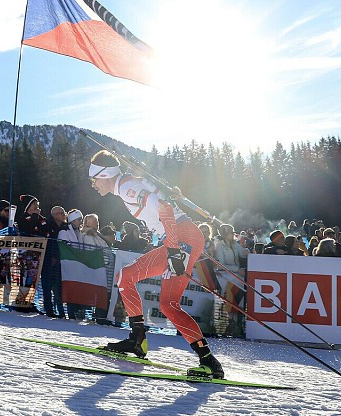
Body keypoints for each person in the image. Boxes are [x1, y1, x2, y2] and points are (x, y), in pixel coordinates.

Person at [89, 150, 224, 379]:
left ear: (104, 175)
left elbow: (165, 208)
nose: (93, 185)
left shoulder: (126, 188)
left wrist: (173, 249)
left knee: (163, 300)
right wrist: (172, 193)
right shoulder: (131, 183)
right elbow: (163, 197)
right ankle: (138, 339)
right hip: (184, 236)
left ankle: (209, 363)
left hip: (181, 238)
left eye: (93, 179)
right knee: (137, 284)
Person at [18, 194, 64, 318]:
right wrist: (34, 216)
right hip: (30, 256)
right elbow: (28, 229)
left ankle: (49, 309)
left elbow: (48, 233)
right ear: (28, 207)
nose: (37, 207)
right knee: (28, 280)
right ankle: (23, 303)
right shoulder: (23, 218)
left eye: (38, 205)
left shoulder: (42, 219)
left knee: (47, 283)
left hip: (46, 255)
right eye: (34, 205)